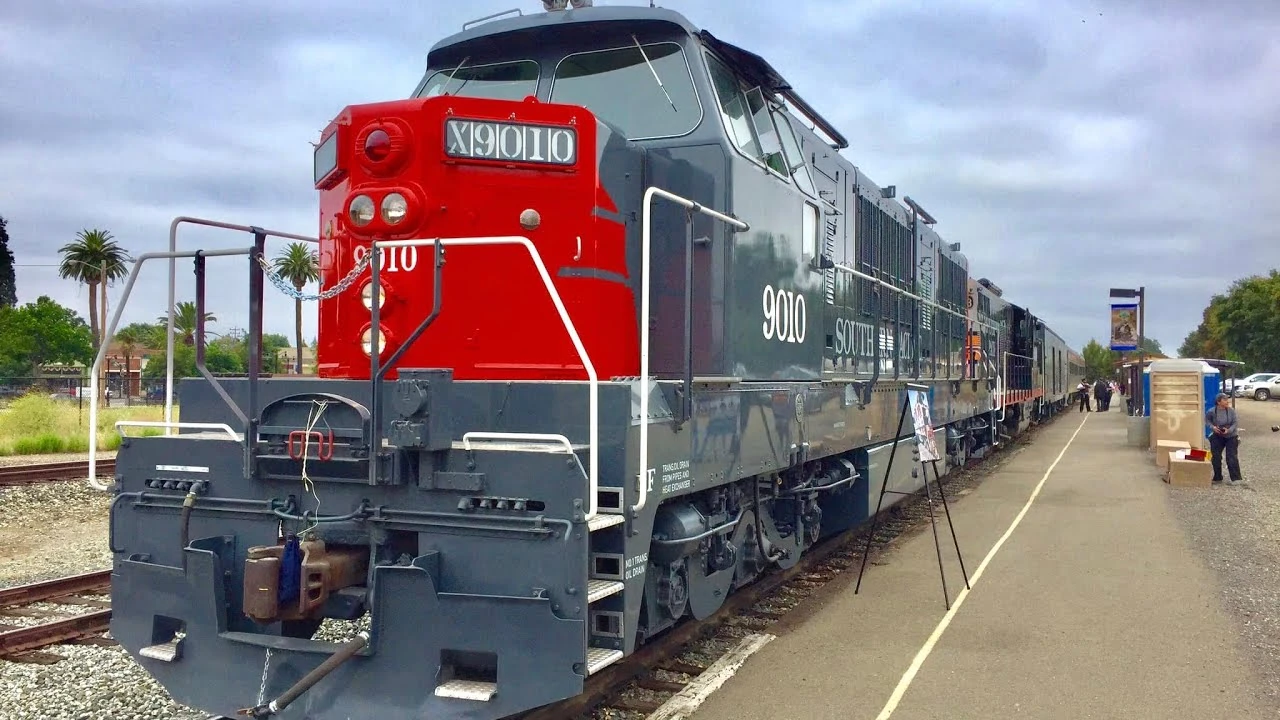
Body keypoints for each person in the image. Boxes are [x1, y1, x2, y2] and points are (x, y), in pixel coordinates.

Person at [1204, 393, 1243, 484]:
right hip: (1217, 435)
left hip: (1231, 436)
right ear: (1218, 402)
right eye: (1224, 400)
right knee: (1216, 457)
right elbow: (1207, 420)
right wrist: (1213, 427)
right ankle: (1217, 477)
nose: (1227, 402)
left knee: (1231, 456)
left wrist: (1229, 430)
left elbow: (1235, 423)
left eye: (1227, 399)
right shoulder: (1212, 411)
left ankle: (1236, 478)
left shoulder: (1231, 411)